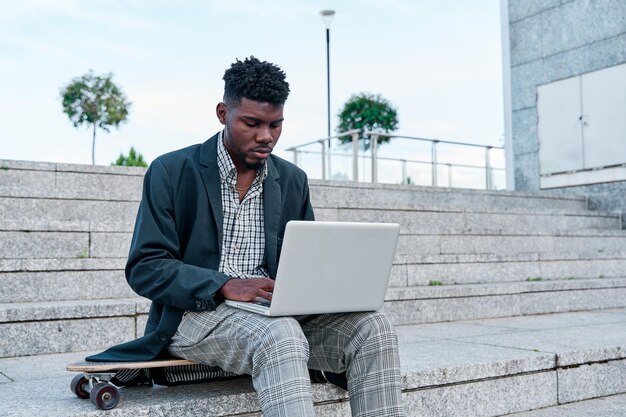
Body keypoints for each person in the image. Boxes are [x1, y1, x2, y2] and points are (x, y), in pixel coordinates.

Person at [88, 56, 403, 416]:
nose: (266, 136)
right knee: (279, 334)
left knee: (375, 327)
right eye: (252, 123)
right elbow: (146, 267)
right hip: (197, 316)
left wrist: (329, 286)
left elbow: (306, 263)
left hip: (277, 314)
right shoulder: (171, 171)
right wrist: (223, 284)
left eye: (275, 125)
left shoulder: (292, 180)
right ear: (223, 113)